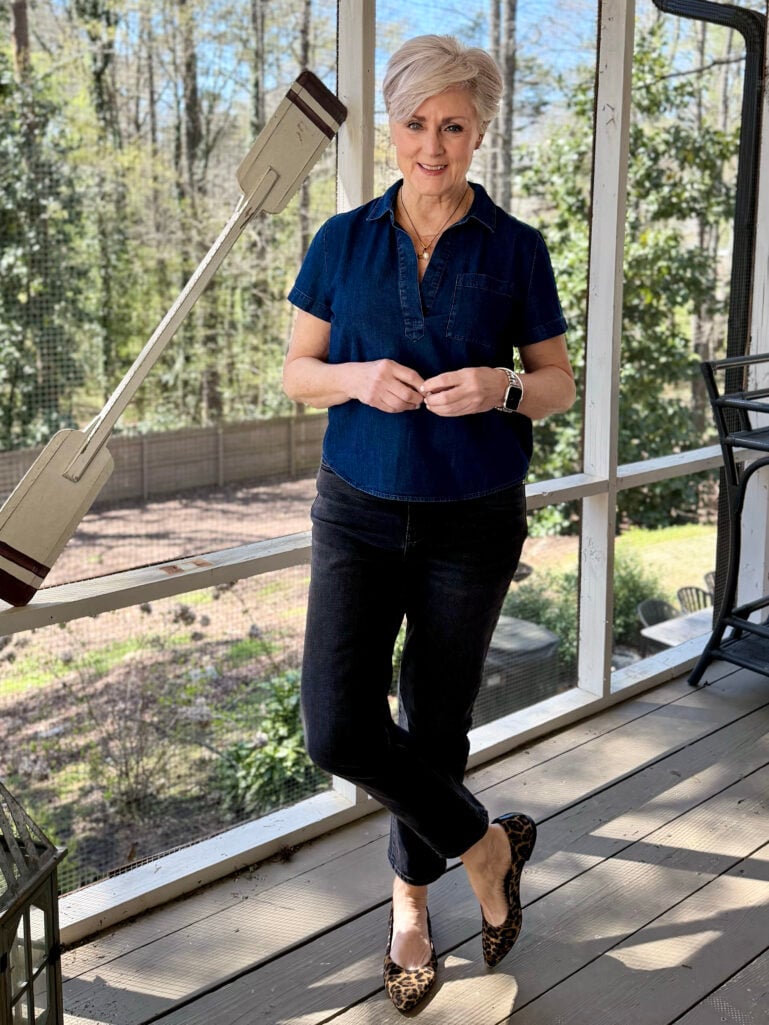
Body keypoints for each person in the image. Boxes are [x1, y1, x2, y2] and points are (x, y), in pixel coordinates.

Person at [283, 34, 575, 1013]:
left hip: (472, 522)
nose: (432, 145)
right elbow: (296, 372)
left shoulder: (516, 248)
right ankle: (487, 845)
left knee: (435, 724)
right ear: (390, 126)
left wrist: (502, 386)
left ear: (481, 129)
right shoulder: (340, 241)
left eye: (453, 125)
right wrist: (356, 377)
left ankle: (409, 912)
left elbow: (556, 386)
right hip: (356, 511)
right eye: (415, 123)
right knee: (338, 726)